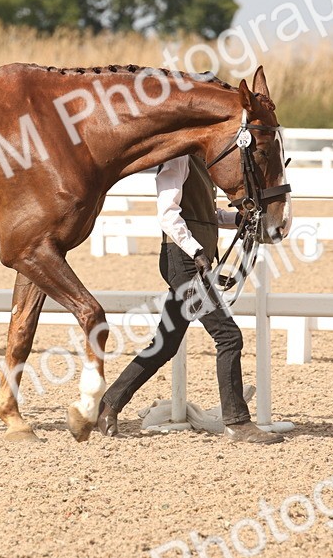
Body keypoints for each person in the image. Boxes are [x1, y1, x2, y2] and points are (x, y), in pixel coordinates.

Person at [94, 153, 285, 444]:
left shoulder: (201, 162)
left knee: (165, 345)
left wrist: (238, 219)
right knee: (228, 336)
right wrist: (195, 251)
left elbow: (206, 215)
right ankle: (237, 422)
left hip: (192, 263)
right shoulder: (178, 159)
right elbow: (167, 214)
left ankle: (109, 405)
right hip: (184, 262)